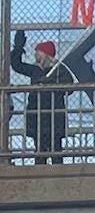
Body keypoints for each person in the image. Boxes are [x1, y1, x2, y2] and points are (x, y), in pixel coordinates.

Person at [10, 30, 74, 164]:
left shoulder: (58, 70)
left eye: (38, 51)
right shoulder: (35, 70)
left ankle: (58, 174)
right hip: (37, 116)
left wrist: (50, 82)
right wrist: (18, 48)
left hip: (54, 116)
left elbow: (70, 86)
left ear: (46, 54)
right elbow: (17, 65)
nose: (35, 54)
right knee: (39, 152)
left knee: (56, 151)